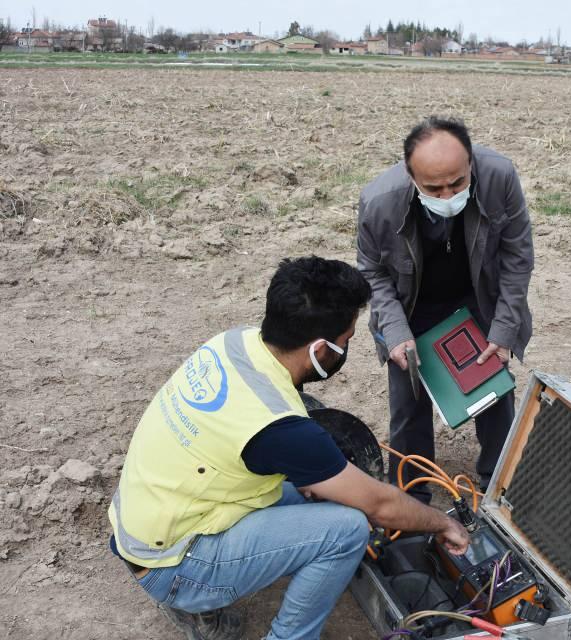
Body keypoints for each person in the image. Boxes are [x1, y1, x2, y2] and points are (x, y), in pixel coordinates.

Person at [107, 256, 469, 640]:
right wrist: (444, 523)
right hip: (172, 566)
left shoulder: (233, 343)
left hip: (144, 520)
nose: (345, 350)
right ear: (319, 349)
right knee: (347, 528)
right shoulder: (280, 429)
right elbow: (380, 506)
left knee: (319, 495)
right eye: (345, 342)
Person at [356, 116, 534, 502]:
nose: (446, 195)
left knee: (493, 387)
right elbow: (371, 271)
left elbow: (517, 260)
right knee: (408, 399)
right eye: (432, 188)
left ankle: (500, 488)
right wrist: (397, 334)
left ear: (471, 161)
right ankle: (410, 493)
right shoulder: (379, 202)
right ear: (409, 174)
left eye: (456, 183)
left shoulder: (500, 178)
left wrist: (502, 333)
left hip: (476, 294)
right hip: (412, 300)